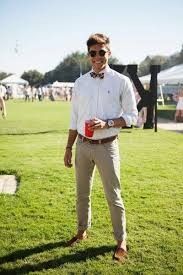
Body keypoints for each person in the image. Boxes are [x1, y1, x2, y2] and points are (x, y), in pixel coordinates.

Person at [64, 33, 138, 262]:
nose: (97, 57)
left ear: (109, 52)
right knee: (82, 194)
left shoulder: (121, 81)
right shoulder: (80, 82)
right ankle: (81, 231)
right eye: (93, 53)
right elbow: (74, 118)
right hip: (83, 147)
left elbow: (132, 117)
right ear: (88, 56)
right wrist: (69, 147)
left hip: (108, 146)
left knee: (113, 195)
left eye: (101, 52)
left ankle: (121, 240)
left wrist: (107, 123)